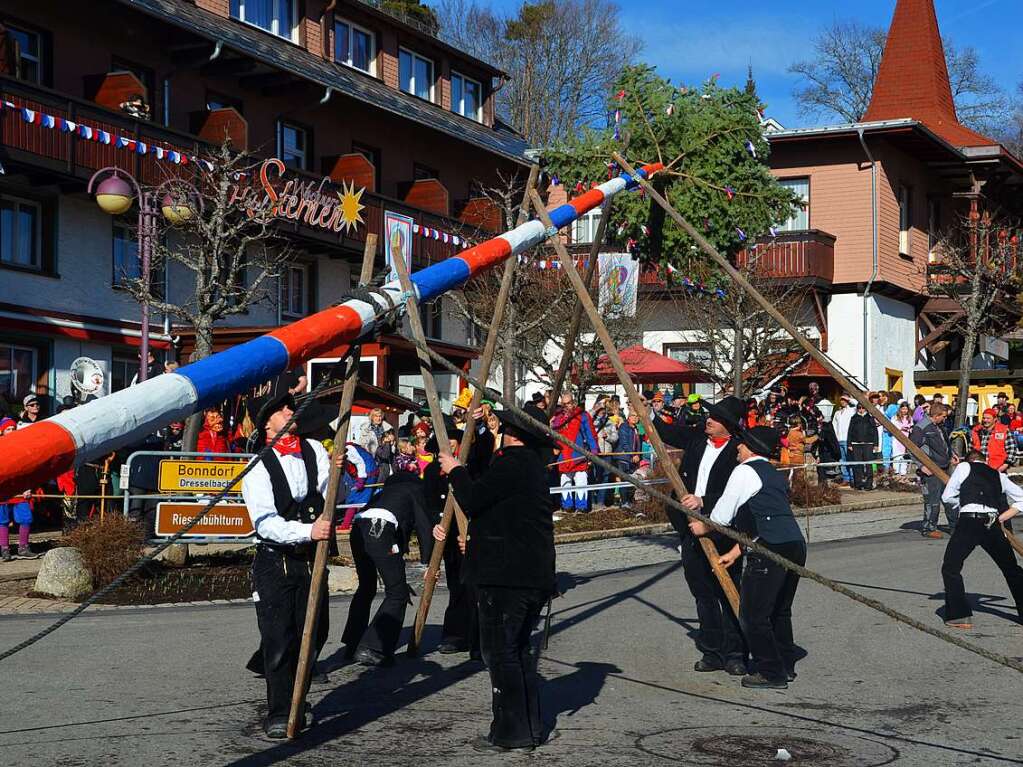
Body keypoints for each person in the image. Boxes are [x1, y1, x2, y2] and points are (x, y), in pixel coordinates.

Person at [435, 402, 556, 752]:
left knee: (500, 654)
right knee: (516, 652)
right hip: (524, 573)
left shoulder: (514, 464)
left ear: (512, 435)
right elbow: (502, 513)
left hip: (507, 577)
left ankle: (511, 732)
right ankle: (527, 728)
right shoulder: (529, 466)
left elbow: (472, 498)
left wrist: (455, 470)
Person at [240, 378, 333, 739]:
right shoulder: (257, 466)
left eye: (289, 406)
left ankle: (298, 697)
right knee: (280, 638)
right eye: (281, 408)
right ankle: (279, 711)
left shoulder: (314, 449)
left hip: (313, 557)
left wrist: (340, 469)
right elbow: (265, 523)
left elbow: (329, 493)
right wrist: (306, 532)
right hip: (275, 560)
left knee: (316, 632)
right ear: (267, 423)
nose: (289, 410)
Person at [692, 426, 806, 689]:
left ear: (751, 448)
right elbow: (761, 521)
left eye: (741, 444)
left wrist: (703, 526)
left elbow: (722, 516)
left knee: (753, 614)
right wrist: (736, 551)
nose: (737, 448)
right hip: (794, 544)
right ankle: (785, 666)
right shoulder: (773, 474)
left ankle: (770, 672)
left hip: (770, 548)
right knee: (780, 610)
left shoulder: (744, 471)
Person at [653, 396, 747, 676]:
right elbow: (666, 432)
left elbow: (740, 494)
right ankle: (712, 651)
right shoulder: (697, 439)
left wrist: (703, 501)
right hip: (691, 531)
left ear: (728, 426)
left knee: (728, 592)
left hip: (723, 532)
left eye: (716, 418)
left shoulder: (739, 452)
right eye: (710, 415)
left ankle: (735, 653)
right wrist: (650, 414)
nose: (709, 420)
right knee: (703, 595)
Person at [342, 471, 432, 664]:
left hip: (358, 530)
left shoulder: (383, 494)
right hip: (380, 530)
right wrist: (429, 562)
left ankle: (353, 641)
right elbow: (424, 526)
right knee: (397, 593)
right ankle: (373, 647)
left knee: (366, 588)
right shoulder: (414, 489)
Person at [424, 414, 493, 656]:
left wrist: (481, 425)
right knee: (456, 584)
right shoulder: (432, 472)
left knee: (477, 586)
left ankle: (480, 639)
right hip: (449, 535)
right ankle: (455, 634)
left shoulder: (469, 464)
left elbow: (485, 452)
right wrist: (436, 524)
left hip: (474, 531)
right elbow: (429, 504)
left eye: (453, 440)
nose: (449, 444)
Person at [939, 450, 1023, 629]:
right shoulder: (997, 475)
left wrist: (962, 503)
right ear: (984, 461)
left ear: (969, 460)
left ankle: (959, 616)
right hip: (991, 523)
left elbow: (947, 497)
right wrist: (1002, 517)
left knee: (951, 567)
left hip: (969, 521)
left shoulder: (963, 467)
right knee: (1011, 569)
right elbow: (1021, 499)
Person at [910, 402, 955, 538]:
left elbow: (943, 443)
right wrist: (922, 466)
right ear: (936, 415)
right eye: (943, 416)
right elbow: (912, 449)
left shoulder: (939, 426)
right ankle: (929, 528)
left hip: (944, 467)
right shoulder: (921, 427)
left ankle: (955, 526)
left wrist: (951, 455)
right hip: (931, 469)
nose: (945, 419)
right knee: (932, 500)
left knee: (950, 499)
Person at [551, 393, 599, 513]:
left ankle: (581, 507)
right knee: (565, 481)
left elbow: (590, 433)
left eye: (569, 403)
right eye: (564, 404)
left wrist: (594, 451)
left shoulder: (582, 415)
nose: (567, 406)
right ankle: (567, 506)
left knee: (581, 481)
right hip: (563, 456)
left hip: (578, 455)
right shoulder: (557, 418)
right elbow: (553, 436)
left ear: (573, 402)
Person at [971, 408, 1017, 473]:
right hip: (979, 470)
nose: (985, 420)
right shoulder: (977, 431)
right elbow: (971, 450)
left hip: (998, 469)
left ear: (995, 419)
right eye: (984, 418)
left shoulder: (1004, 430)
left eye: (988, 418)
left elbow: (1012, 449)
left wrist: (1004, 466)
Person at [848, 402, 878, 490]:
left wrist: (876, 444)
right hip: (856, 444)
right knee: (857, 464)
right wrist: (849, 443)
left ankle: (869, 484)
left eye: (863, 408)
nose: (861, 410)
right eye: (859, 408)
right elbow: (850, 431)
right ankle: (858, 484)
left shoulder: (870, 418)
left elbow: (875, 431)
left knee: (869, 464)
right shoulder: (854, 418)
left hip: (868, 444)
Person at [831, 395, 855, 485]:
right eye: (841, 400)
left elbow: (857, 403)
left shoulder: (851, 410)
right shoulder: (837, 413)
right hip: (839, 439)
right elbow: (834, 425)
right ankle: (846, 478)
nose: (843, 401)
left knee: (850, 459)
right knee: (842, 460)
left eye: (845, 400)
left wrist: (849, 399)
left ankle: (853, 478)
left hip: (847, 439)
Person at [892, 402, 914, 476]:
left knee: (904, 455)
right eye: (903, 409)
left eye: (906, 409)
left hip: (906, 438)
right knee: (897, 454)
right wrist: (901, 428)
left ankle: (903, 472)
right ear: (900, 409)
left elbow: (911, 427)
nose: (904, 410)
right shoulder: (895, 417)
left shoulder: (909, 418)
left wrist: (909, 429)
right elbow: (893, 427)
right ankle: (896, 471)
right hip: (897, 438)